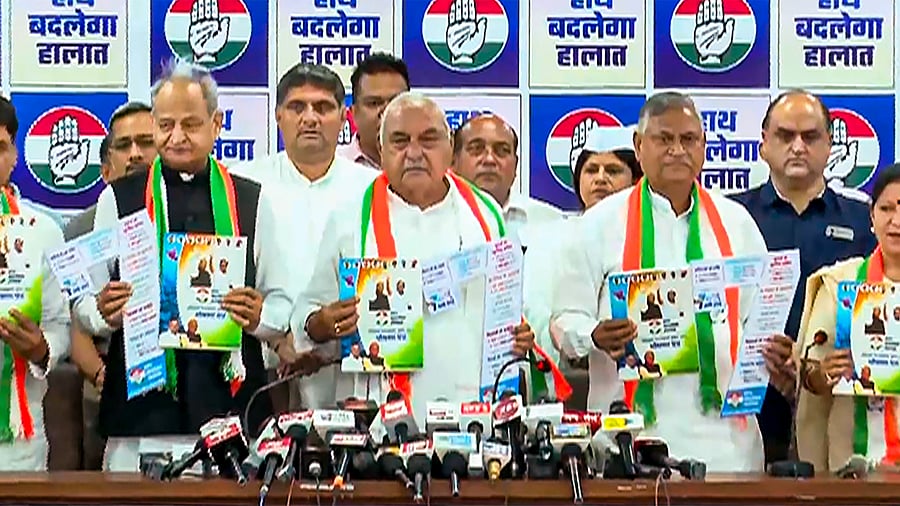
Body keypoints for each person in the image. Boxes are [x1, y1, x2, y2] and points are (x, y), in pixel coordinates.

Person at [551, 92, 795, 472]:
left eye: (688, 139)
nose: (678, 150)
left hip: (729, 447)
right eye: (664, 139)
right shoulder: (598, 224)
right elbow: (563, 320)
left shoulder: (738, 223)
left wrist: (775, 353)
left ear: (703, 146)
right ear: (638, 146)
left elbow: (757, 324)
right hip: (628, 445)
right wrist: (594, 335)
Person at [71, 60, 294, 472]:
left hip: (233, 417)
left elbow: (282, 304)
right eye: (165, 125)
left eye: (190, 124)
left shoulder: (251, 200)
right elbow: (84, 302)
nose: (176, 137)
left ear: (216, 123)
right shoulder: (118, 199)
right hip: (139, 416)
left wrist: (260, 316)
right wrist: (102, 312)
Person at [291, 92, 536, 422]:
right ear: (381, 151)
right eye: (400, 141)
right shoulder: (348, 220)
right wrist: (321, 323)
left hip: (472, 415)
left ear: (450, 147)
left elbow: (509, 309)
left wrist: (520, 334)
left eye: (428, 139)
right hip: (382, 417)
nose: (415, 153)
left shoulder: (487, 214)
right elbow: (306, 317)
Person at [732, 90, 876, 464]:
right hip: (746, 404)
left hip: (835, 403)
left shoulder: (866, 220)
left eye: (810, 137)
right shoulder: (731, 217)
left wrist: (812, 366)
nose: (798, 147)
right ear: (763, 144)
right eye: (785, 135)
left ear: (829, 146)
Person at [231, 63, 379, 410]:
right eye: (297, 107)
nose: (310, 118)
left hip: (348, 368)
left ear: (343, 118)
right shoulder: (241, 185)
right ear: (278, 116)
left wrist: (319, 335)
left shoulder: (373, 189)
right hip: (264, 369)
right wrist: (278, 339)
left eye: (322, 107)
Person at [796, 164, 900, 471]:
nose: (896, 221)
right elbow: (808, 377)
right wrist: (825, 374)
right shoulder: (840, 283)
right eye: (886, 209)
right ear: (872, 217)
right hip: (852, 461)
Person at [0, 95, 69, 470]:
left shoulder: (44, 231)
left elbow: (60, 326)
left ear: (14, 156)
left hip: (19, 444)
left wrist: (42, 349)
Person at [452, 114, 564, 249]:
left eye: (501, 151)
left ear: (515, 166)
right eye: (477, 149)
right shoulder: (436, 222)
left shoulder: (551, 222)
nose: (489, 160)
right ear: (453, 162)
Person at [338, 53, 410, 169]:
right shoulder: (334, 165)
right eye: (374, 103)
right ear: (353, 113)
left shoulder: (428, 165)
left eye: (395, 102)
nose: (386, 112)